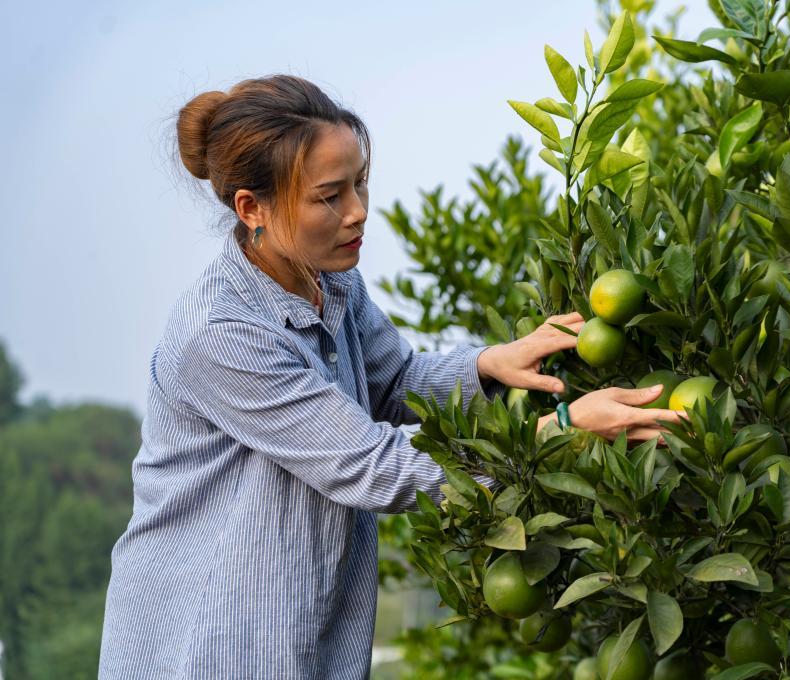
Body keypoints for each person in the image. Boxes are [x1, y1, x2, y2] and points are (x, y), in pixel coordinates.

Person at [98, 74, 681, 679]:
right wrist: (564, 430)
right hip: (210, 641)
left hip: (303, 622)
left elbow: (393, 382)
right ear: (253, 208)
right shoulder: (221, 333)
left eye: (360, 184)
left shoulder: (330, 279)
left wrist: (488, 366)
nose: (356, 213)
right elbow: (374, 466)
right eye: (329, 196)